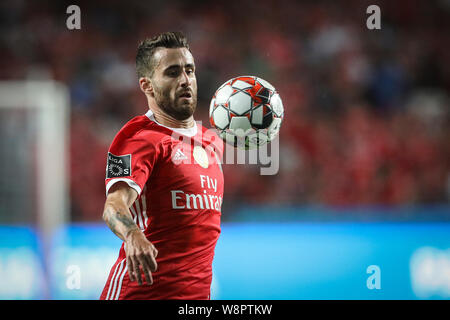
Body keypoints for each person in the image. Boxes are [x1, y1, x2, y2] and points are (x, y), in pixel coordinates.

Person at [99, 31, 224, 300]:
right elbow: (113, 206)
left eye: (189, 71)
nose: (184, 81)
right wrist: (132, 234)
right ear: (147, 85)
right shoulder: (137, 138)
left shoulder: (211, 141)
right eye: (172, 72)